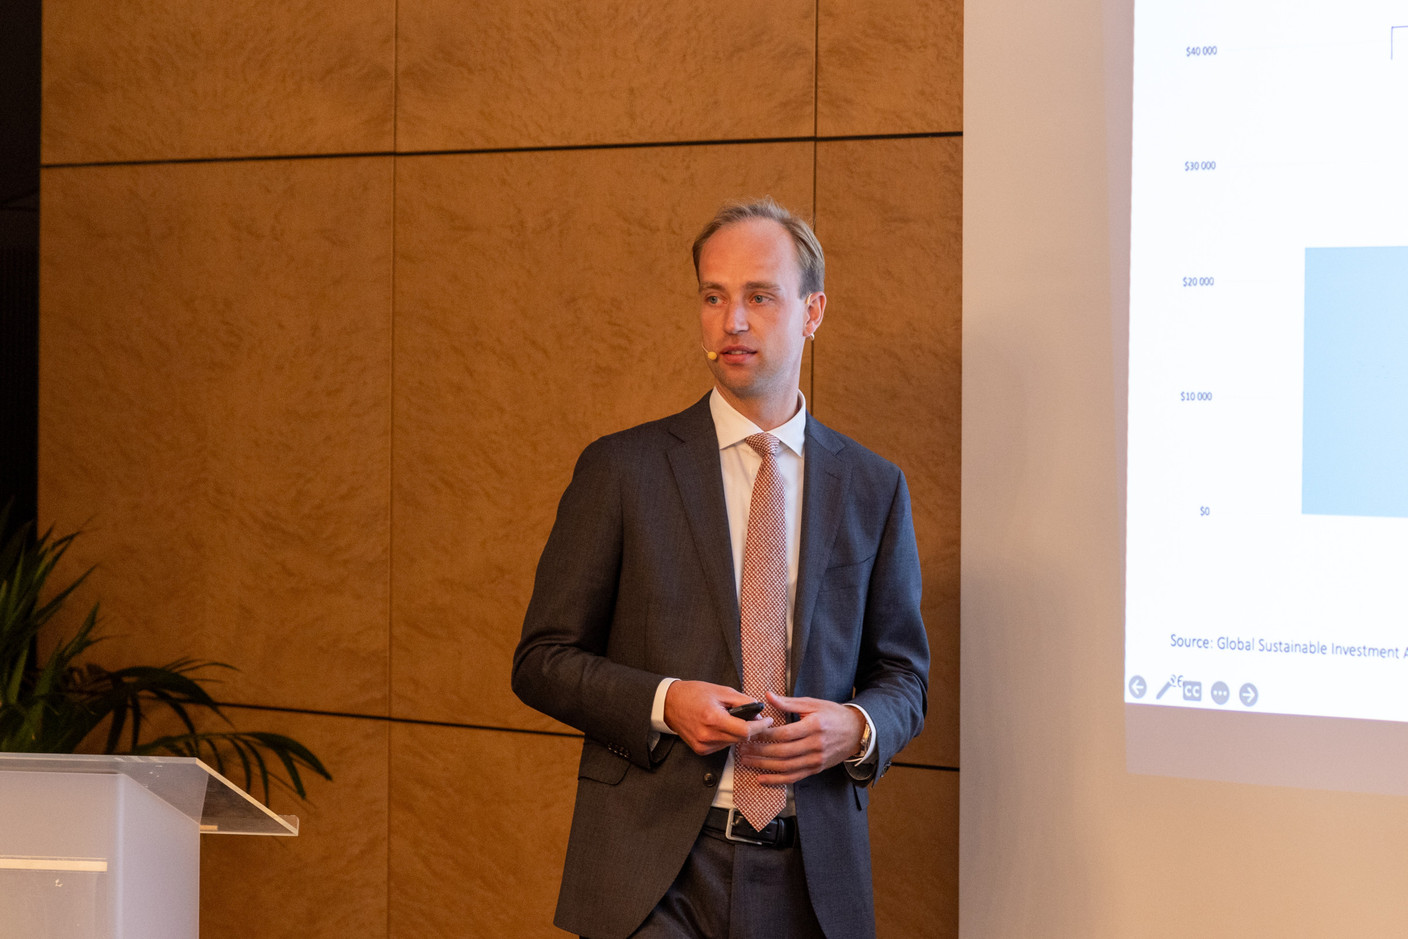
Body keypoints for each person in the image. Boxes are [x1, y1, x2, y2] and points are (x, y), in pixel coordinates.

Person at [511, 197, 930, 939]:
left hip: (812, 878)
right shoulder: (622, 469)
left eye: (759, 296)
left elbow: (904, 675)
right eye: (714, 296)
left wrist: (857, 726)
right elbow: (542, 660)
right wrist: (663, 700)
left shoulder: (872, 485)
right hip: (653, 876)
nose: (731, 321)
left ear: (812, 311)